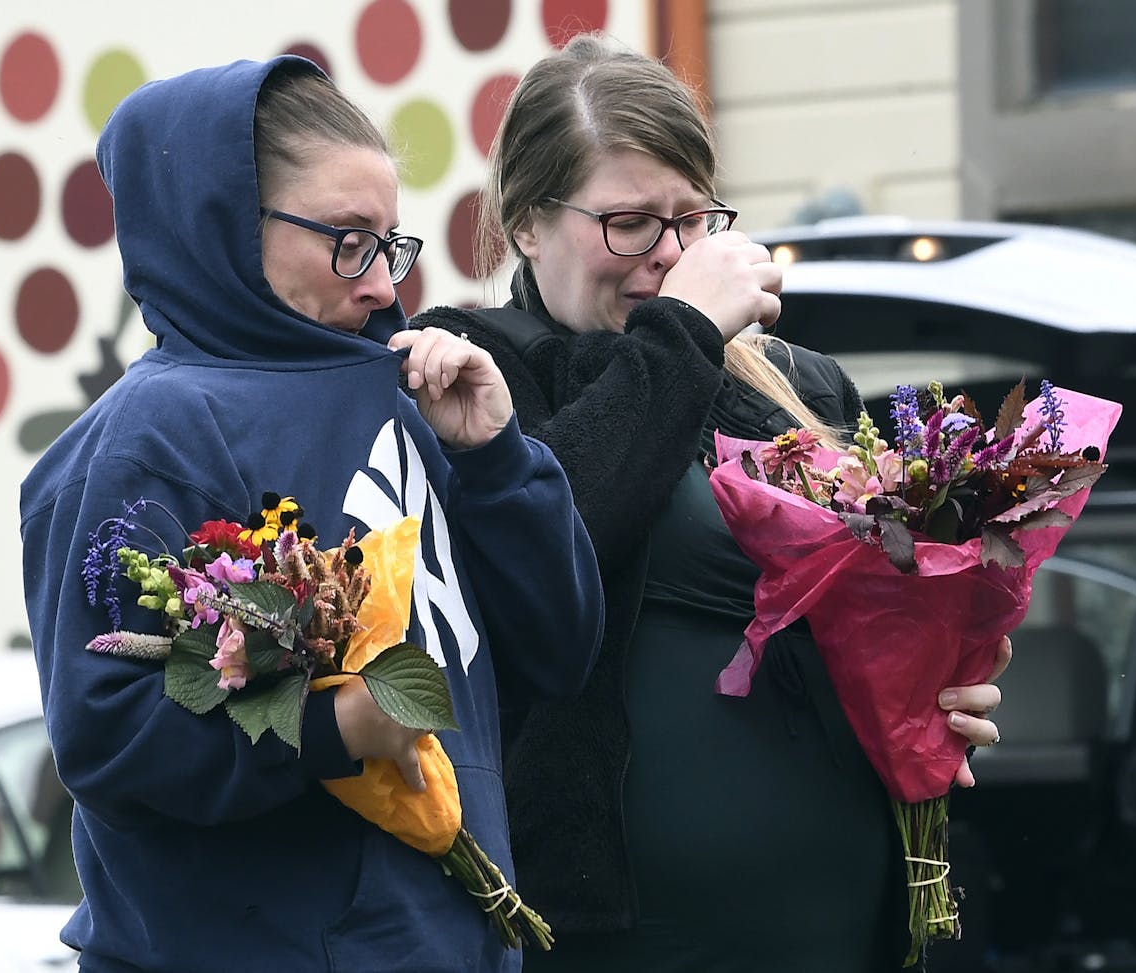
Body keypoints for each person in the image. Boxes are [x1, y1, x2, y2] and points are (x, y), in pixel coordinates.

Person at [411, 34, 1009, 972]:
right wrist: (683, 330)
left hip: (838, 903)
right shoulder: (474, 368)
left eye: (695, 219)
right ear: (527, 223)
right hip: (614, 930)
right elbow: (539, 543)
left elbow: (884, 613)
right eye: (631, 223)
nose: (671, 255)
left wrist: (942, 682)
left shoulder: (801, 384)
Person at [19, 56, 604, 973]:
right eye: (347, 239)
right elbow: (109, 736)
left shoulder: (409, 396)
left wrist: (496, 458)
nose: (382, 284)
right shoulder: (151, 434)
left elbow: (560, 649)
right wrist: (332, 730)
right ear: (220, 225)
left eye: (390, 244)